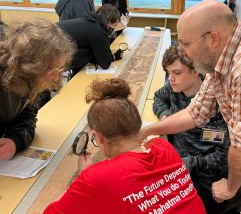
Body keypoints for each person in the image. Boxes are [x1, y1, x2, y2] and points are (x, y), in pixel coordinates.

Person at [142, 0, 241, 214]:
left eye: (186, 44)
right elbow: (195, 113)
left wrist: (230, 187)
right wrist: (147, 131)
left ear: (213, 38)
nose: (183, 51)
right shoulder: (222, 55)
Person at [43, 78, 206, 214]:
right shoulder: (163, 146)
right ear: (137, 125)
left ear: (99, 137)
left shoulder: (96, 178)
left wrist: (83, 176)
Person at [153, 45, 230, 213]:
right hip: (177, 161)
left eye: (177, 73)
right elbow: (158, 97)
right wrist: (165, 116)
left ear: (196, 71)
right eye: (168, 72)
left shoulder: (217, 107)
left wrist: (189, 163)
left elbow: (223, 158)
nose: (170, 78)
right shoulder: (174, 89)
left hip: (203, 173)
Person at [0, 18, 75, 160]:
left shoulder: (30, 80)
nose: (56, 77)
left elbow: (27, 114)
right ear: (29, 65)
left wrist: (15, 141)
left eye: (59, 68)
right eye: (51, 69)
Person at [57, 4, 123, 78]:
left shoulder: (90, 20)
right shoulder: (98, 32)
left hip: (52, 33)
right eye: (116, 25)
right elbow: (105, 64)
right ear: (108, 23)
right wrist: (113, 57)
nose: (115, 27)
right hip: (54, 45)